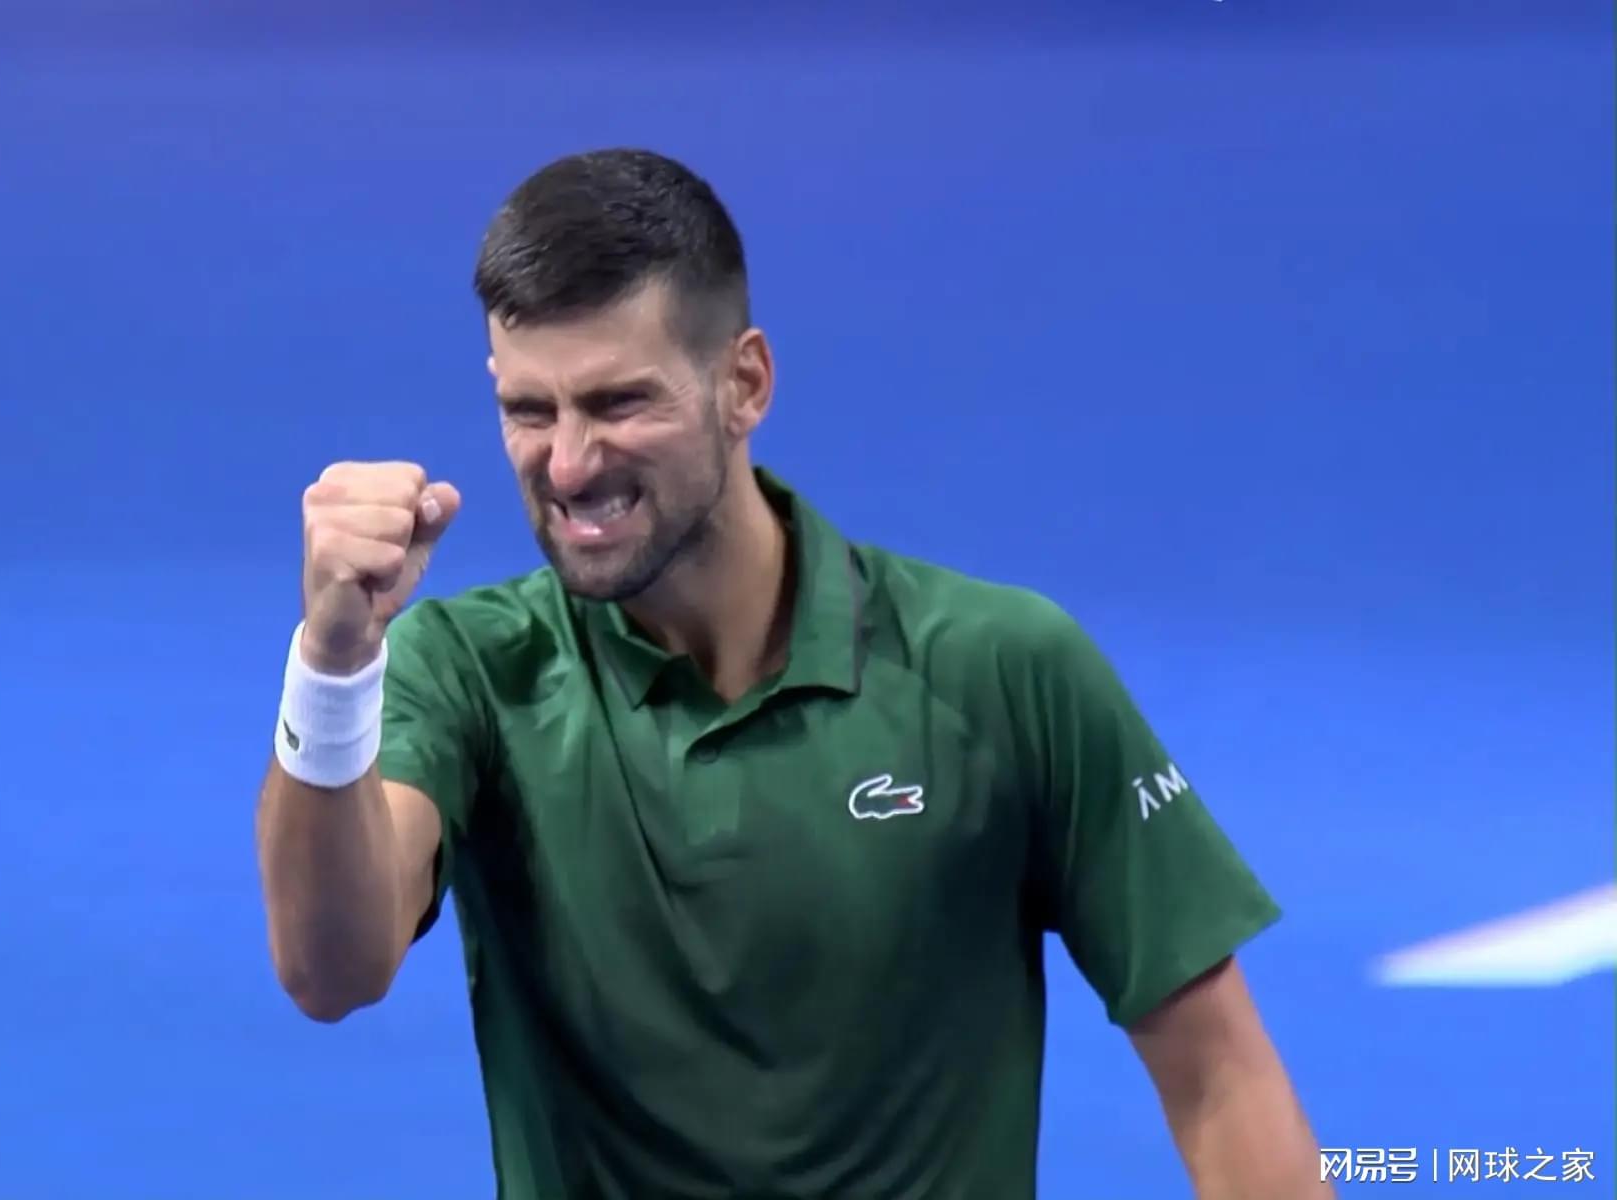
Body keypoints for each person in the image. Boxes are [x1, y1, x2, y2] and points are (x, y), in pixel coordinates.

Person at [255, 148, 1330, 1199]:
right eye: (529, 412)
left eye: (619, 403)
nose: (569, 464)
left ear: (745, 383)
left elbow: (1218, 1078)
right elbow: (330, 971)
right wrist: (334, 665)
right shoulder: (468, 671)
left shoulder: (1005, 669)